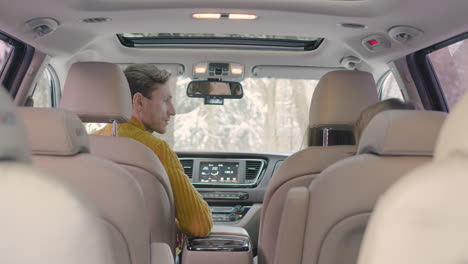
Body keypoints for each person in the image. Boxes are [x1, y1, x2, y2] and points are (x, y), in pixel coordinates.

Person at [94, 64, 213, 237]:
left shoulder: (85, 144)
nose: (172, 111)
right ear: (139, 102)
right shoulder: (156, 149)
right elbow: (199, 226)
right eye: (166, 100)